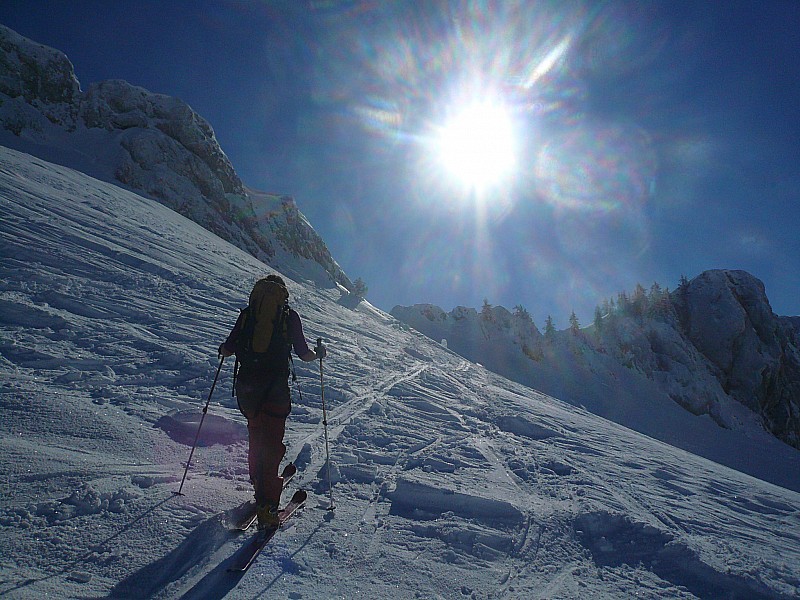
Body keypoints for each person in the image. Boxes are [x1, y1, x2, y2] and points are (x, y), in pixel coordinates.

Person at [219, 274, 325, 528]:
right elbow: (303, 353)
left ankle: (259, 486)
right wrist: (318, 354)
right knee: (272, 444)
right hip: (275, 391)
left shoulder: (247, 315)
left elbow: (228, 348)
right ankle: (268, 507)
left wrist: (224, 350)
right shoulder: (288, 316)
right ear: (283, 294)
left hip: (248, 390)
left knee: (256, 438)